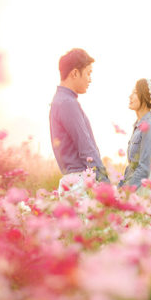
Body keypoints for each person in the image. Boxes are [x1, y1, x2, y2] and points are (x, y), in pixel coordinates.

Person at [49, 49, 109, 195]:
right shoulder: (67, 103)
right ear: (75, 73)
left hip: (73, 183)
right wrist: (105, 184)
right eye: (88, 73)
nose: (90, 79)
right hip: (80, 183)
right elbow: (86, 148)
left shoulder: (61, 101)